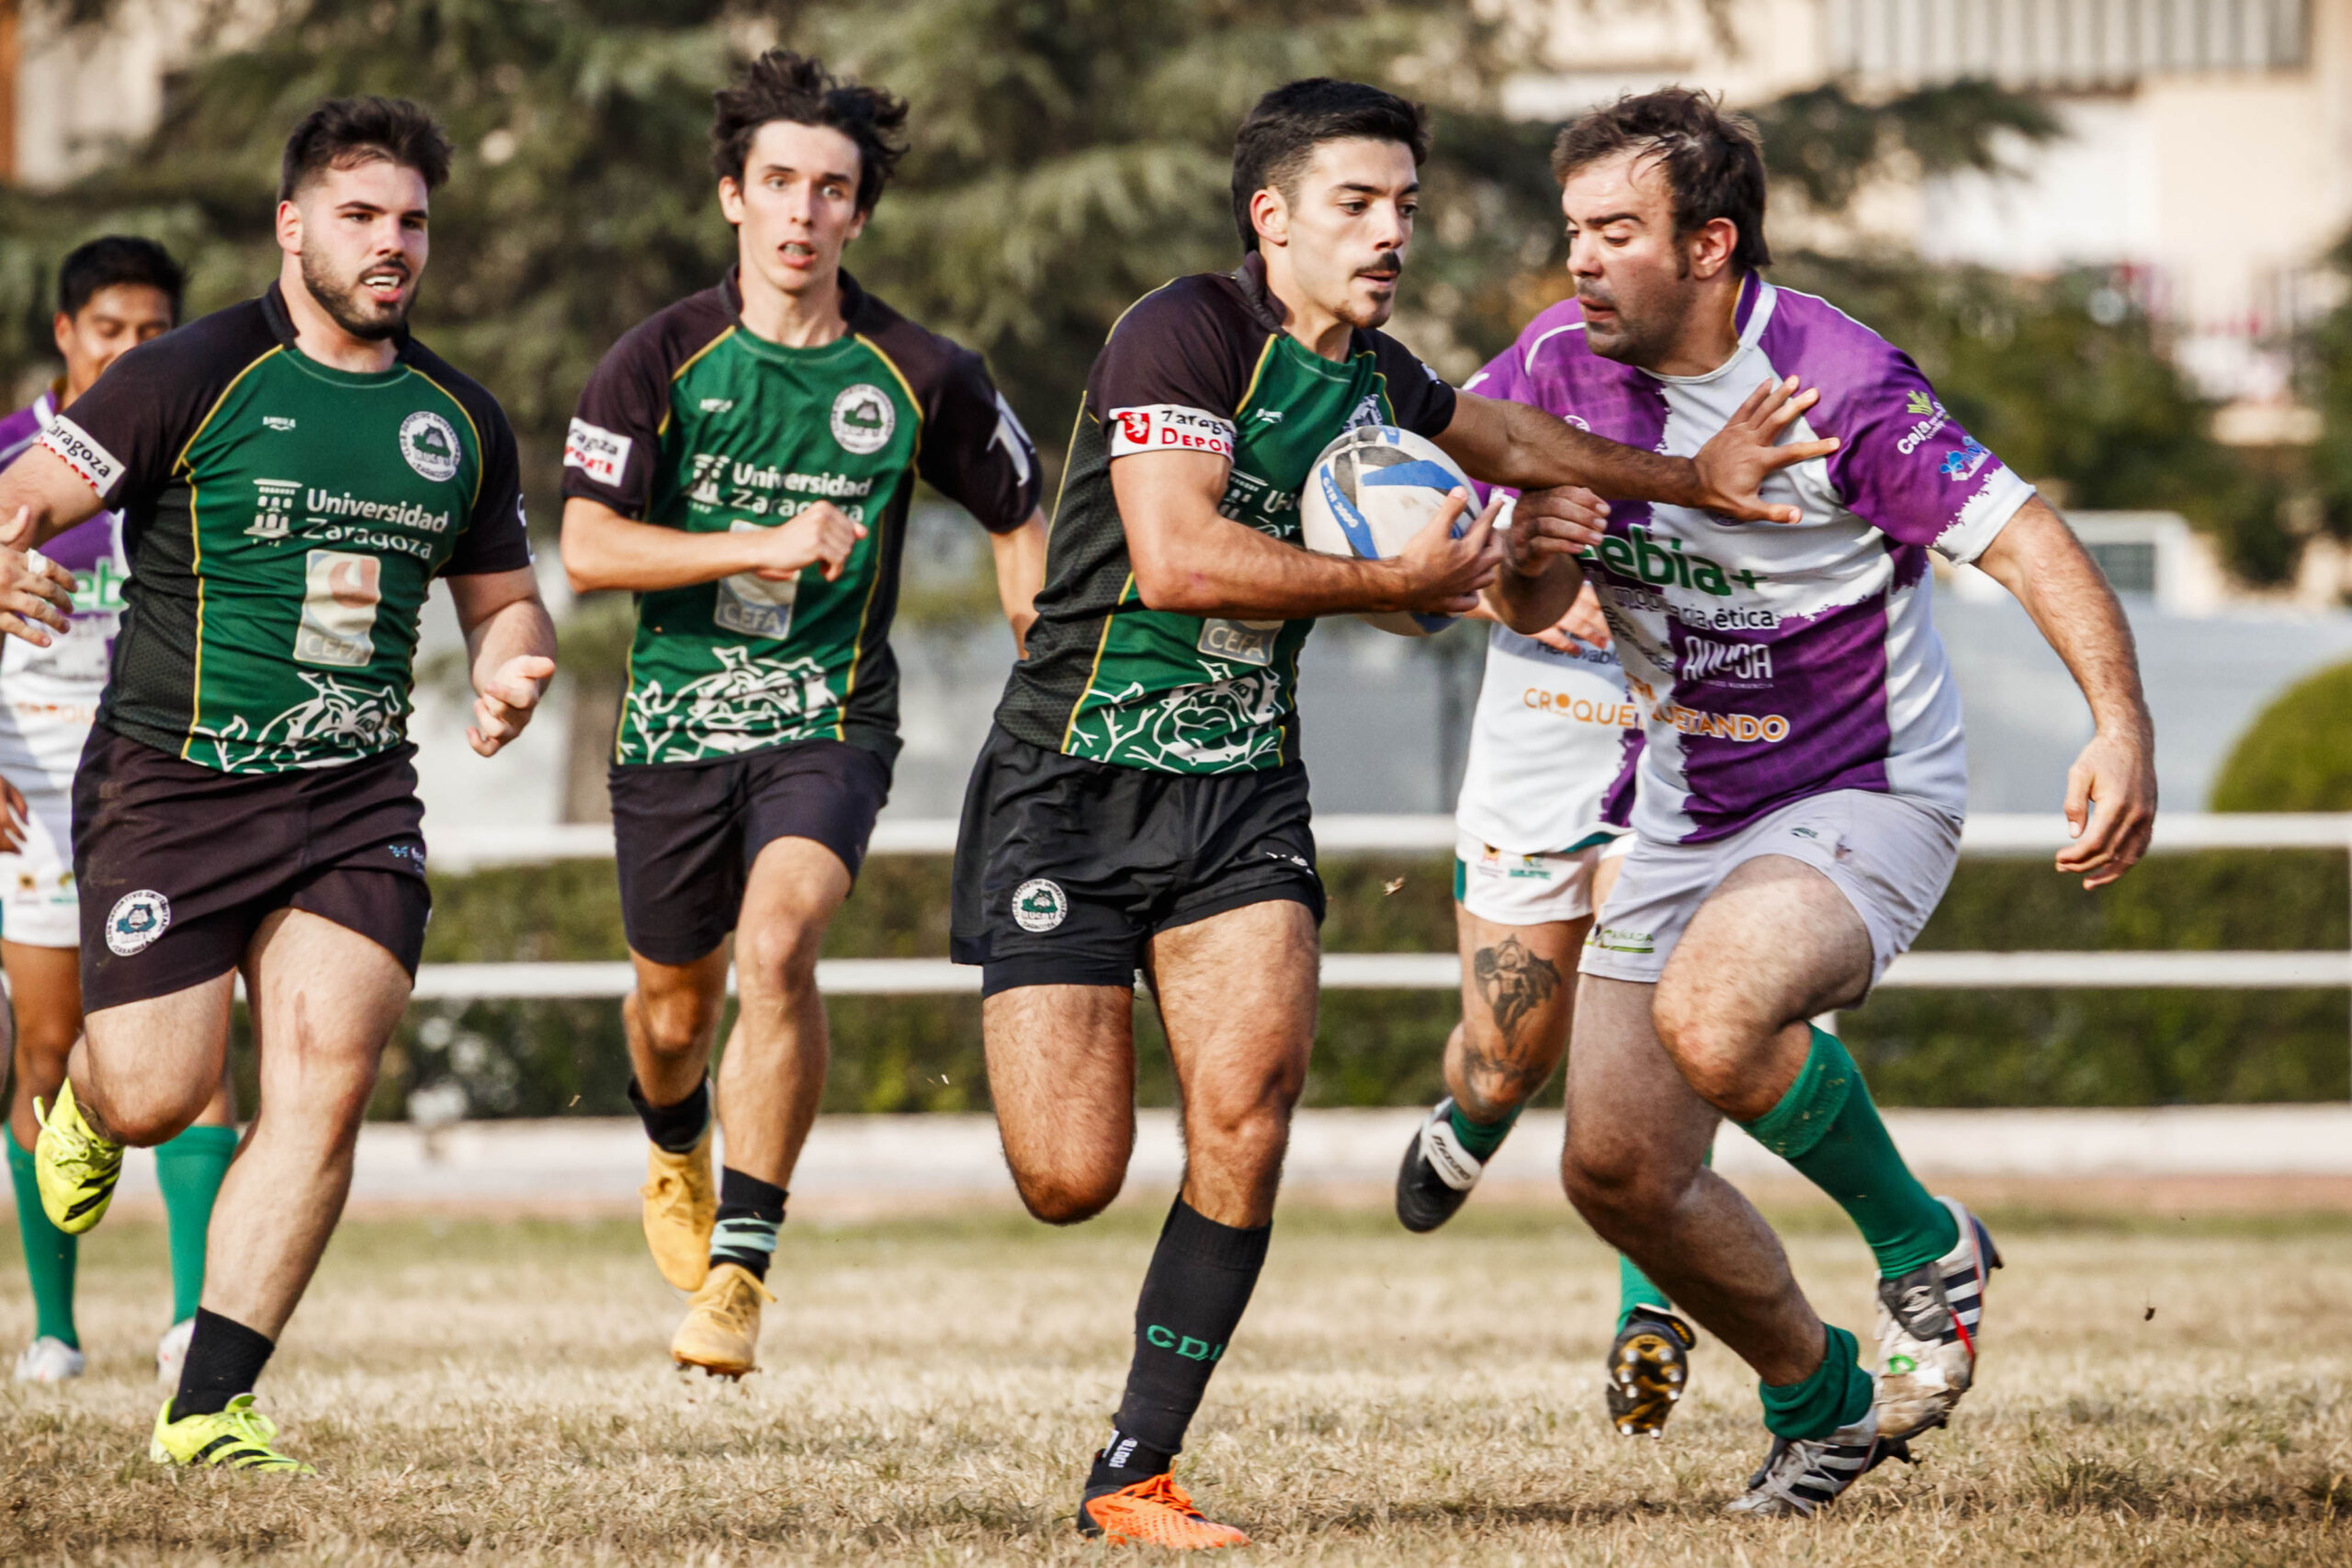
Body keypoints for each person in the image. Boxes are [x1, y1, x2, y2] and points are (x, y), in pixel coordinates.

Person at [949, 77, 1832, 1548]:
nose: (1391, 234)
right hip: (1071, 783)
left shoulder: (1378, 378)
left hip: (1242, 795)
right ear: (1272, 215)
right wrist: (1400, 583)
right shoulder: (1185, 329)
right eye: (1357, 204)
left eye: (1406, 207)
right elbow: (1173, 560)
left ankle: (1136, 1470)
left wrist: (1687, 478)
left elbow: (1504, 440)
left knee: (1250, 1114)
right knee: (1068, 1175)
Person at [1492, 89, 2155, 1516]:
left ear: (1712, 243)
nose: (1581, 263)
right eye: (1574, 232)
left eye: (1616, 232)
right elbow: (1511, 564)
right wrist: (1521, 557)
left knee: (1720, 1010)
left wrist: (2120, 721)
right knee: (1614, 1170)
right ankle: (1823, 1399)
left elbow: (2026, 538)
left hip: (1868, 788)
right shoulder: (1555, 365)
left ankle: (1927, 1242)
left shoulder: (1834, 380)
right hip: (1684, 802)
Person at [0, 96, 557, 1472]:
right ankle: (85, 1108)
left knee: (323, 1078)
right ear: (292, 225)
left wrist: (511, 663)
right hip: (169, 788)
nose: (392, 245)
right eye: (362, 217)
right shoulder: (185, 371)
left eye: (413, 221)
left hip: (356, 796)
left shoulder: (459, 420)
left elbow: (507, 603)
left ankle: (210, 1404)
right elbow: (23, 498)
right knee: (153, 1090)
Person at [560, 51, 1045, 1378]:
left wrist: (1046, 660)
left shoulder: (922, 372)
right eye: (778, 182)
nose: (802, 213)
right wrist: (753, 541)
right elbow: (592, 549)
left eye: (831, 190)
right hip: (671, 722)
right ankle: (675, 1150)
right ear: (733, 194)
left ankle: (742, 1267)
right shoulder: (658, 357)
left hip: (828, 718)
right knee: (673, 1005)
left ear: (858, 215)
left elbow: (1017, 509)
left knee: (777, 948)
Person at [0, 237, 240, 1389]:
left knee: (198, 1054)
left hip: (169, 782)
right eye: (112, 332)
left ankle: (195, 1319)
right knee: (49, 1047)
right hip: (39, 786)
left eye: (156, 335)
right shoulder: (10, 463)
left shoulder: (207, 459)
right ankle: (54, 1326)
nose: (135, 353)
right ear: (66, 333)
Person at [1388, 581, 1701, 1438]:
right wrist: (1520, 592)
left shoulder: (1722, 445)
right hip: (1528, 788)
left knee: (1647, 1030)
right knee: (1506, 1060)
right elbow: (1392, 574)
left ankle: (1650, 1309)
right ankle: (1475, 1121)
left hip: (1678, 764)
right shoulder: (1485, 444)